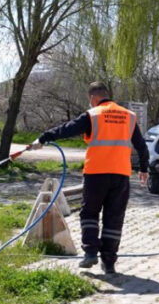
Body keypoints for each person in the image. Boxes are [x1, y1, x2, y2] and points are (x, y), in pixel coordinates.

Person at [28, 81, 149, 274]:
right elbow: (141, 146)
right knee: (114, 218)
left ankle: (90, 252)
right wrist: (144, 168)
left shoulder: (93, 115)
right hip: (121, 175)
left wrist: (43, 138)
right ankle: (109, 262)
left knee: (90, 213)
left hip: (96, 173)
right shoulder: (129, 116)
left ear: (93, 98)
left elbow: (67, 128)